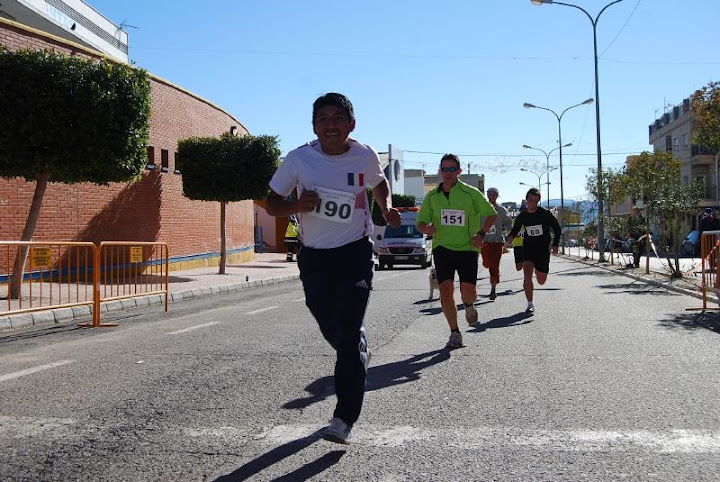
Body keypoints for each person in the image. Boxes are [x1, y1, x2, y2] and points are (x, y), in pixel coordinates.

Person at [265, 93, 401, 445]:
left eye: (338, 117)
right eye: (323, 118)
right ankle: (356, 349)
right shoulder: (299, 159)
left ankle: (343, 419)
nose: (330, 124)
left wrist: (385, 207)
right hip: (315, 257)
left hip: (355, 253)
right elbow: (272, 203)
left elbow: (379, 182)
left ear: (351, 124)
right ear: (314, 126)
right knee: (334, 329)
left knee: (348, 335)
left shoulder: (365, 154)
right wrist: (297, 204)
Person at [416, 154, 497, 348]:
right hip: (442, 248)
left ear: (459, 171)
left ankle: (469, 305)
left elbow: (491, 214)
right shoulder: (432, 196)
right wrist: (426, 228)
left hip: (467, 248)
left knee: (468, 292)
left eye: (452, 169)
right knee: (445, 290)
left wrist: (481, 234)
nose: (448, 173)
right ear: (440, 171)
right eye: (445, 169)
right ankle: (454, 332)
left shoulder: (471, 193)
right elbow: (420, 223)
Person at [506, 188, 561, 313]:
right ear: (526, 200)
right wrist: (510, 237)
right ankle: (530, 304)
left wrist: (555, 244)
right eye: (530, 200)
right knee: (527, 276)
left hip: (542, 250)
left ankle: (538, 269)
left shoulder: (545, 214)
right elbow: (515, 229)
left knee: (541, 281)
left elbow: (557, 228)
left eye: (535, 201)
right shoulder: (523, 215)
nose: (532, 203)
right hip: (528, 248)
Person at [480, 187, 513, 300]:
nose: (491, 196)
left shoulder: (501, 210)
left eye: (494, 194)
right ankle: (492, 280)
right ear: (487, 195)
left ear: (497, 196)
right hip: (485, 242)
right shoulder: (481, 208)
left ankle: (493, 289)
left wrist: (511, 232)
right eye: (489, 194)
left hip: (497, 241)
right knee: (486, 264)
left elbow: (508, 222)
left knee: (494, 265)